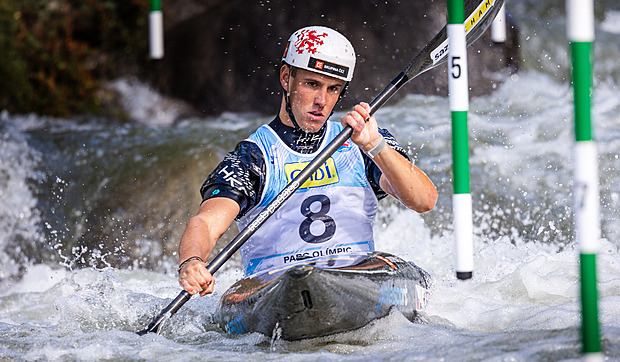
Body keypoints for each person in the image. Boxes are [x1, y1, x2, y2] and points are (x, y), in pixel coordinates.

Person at [177, 26, 438, 296]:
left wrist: (375, 146)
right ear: (286, 77)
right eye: (312, 84)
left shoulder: (363, 143)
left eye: (333, 89)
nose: (322, 101)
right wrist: (192, 261)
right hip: (279, 289)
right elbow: (205, 223)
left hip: (354, 284)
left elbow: (424, 200)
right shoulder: (254, 157)